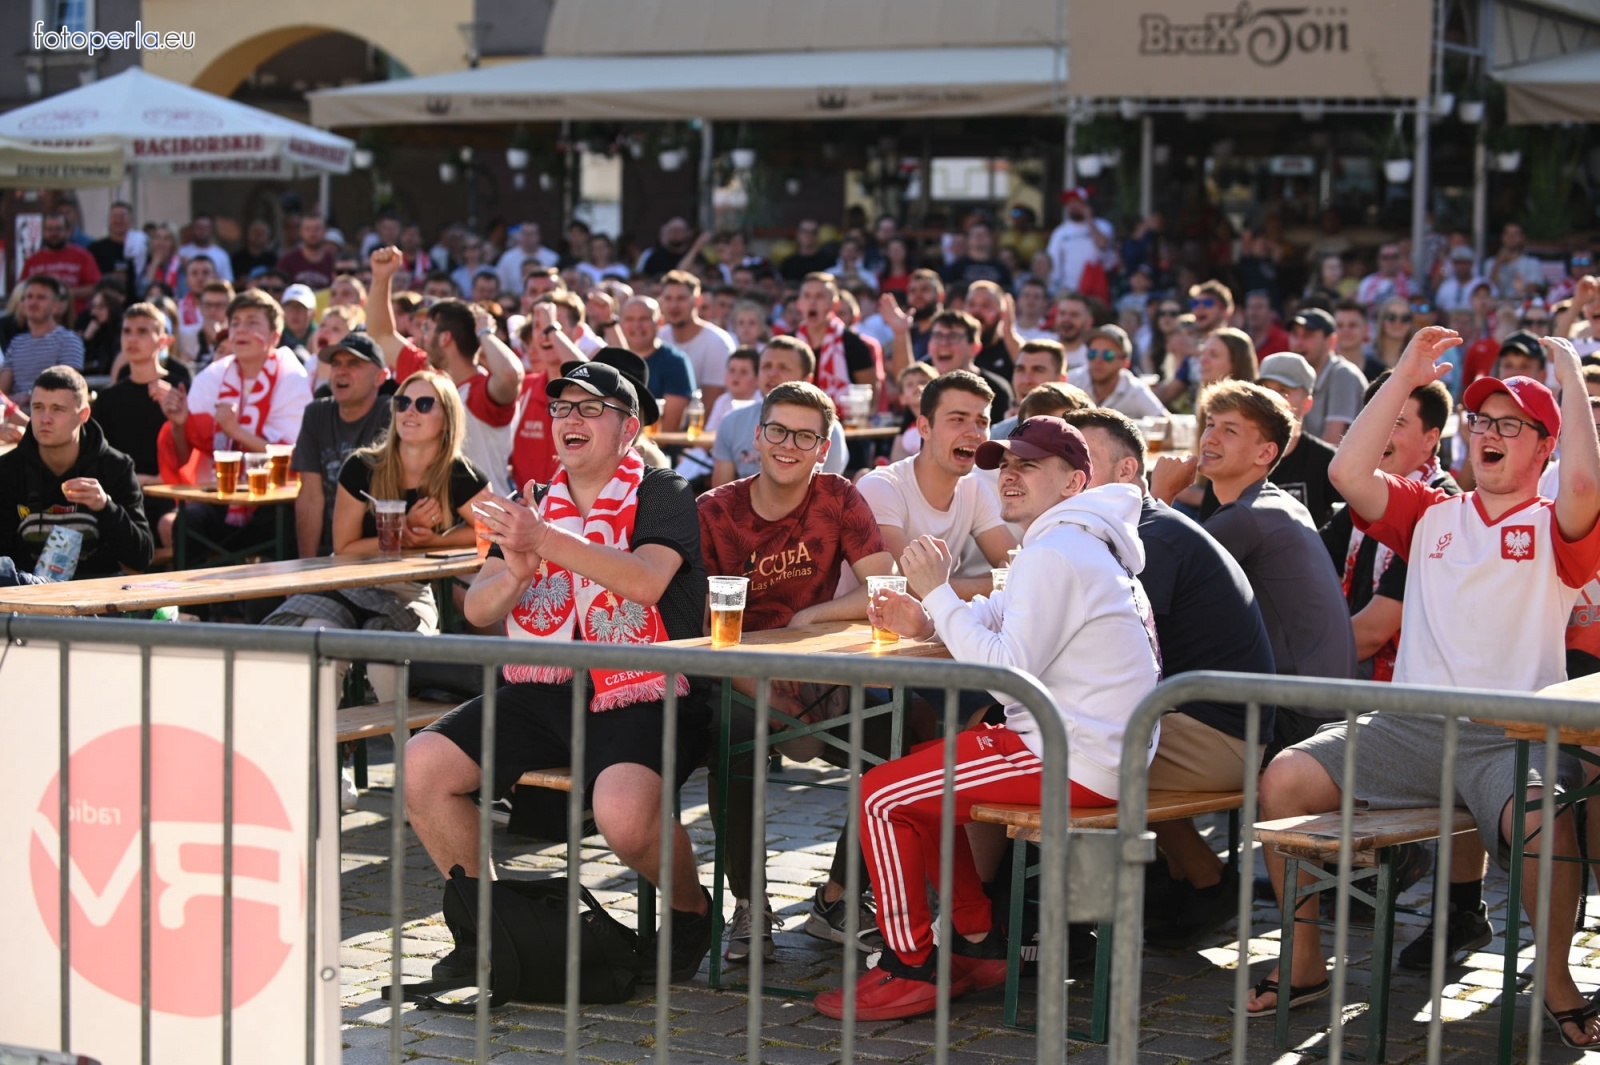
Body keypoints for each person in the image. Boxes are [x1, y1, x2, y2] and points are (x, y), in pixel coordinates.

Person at [1246, 330, 1600, 1049]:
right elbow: (1349, 471)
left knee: (1544, 823)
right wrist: (1404, 377)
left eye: (1510, 424)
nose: (1489, 434)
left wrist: (1571, 384)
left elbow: (1588, 487)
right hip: (1407, 727)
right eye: (1481, 421)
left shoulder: (1553, 522)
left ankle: (1557, 978)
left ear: (1543, 448)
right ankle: (1307, 958)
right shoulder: (1433, 510)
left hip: (1513, 734)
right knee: (1282, 780)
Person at [814, 417, 1161, 1020]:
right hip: (1086, 747)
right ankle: (978, 944)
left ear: (1075, 481)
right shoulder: (1070, 541)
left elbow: (1006, 669)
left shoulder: (1060, 549)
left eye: (1029, 465)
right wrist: (927, 617)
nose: (1010, 474)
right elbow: (996, 618)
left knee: (879, 796)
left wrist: (937, 591)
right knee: (915, 784)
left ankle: (909, 965)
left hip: (1074, 756)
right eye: (1005, 464)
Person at [407, 348, 716, 985]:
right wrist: (518, 569)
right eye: (561, 408)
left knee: (624, 818)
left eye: (591, 409)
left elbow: (646, 583)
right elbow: (479, 606)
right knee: (422, 767)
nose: (570, 418)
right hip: (546, 684)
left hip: (647, 685)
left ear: (628, 429)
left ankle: (691, 913)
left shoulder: (664, 493)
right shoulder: (535, 499)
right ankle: (486, 929)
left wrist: (541, 540)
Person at [696, 380, 901, 962]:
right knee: (731, 742)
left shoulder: (838, 498)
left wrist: (816, 612)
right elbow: (692, 620)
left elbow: (884, 587)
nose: (789, 444)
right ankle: (748, 905)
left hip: (820, 670)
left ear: (825, 445)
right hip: (736, 673)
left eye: (805, 435)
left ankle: (838, 897)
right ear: (756, 439)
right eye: (778, 431)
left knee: (908, 735)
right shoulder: (714, 512)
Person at [1062, 407, 1277, 948]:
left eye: (1082, 460)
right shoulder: (1136, 530)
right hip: (1201, 721)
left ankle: (1078, 928)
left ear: (1127, 471)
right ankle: (1195, 879)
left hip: (1221, 736)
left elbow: (1091, 653)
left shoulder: (1148, 539)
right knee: (1080, 742)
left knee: (1075, 764)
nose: (1069, 474)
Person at [1152, 381, 1356, 753]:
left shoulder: (1247, 517)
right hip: (1316, 707)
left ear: (1266, 452)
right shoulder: (1270, 504)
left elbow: (1152, 577)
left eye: (1230, 430)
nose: (1210, 437)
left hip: (1297, 716)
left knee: (1126, 739)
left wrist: (1160, 496)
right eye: (1210, 424)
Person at [264, 368, 493, 649]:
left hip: (408, 592)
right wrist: (404, 531)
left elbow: (491, 532)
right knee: (316, 640)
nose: (409, 412)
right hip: (350, 582)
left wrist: (436, 541)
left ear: (447, 420)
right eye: (402, 403)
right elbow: (345, 547)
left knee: (388, 657)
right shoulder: (362, 467)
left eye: (423, 405)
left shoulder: (459, 474)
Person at [160, 289, 313, 550]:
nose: (241, 330)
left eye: (252, 322)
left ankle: (271, 592)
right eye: (235, 323)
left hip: (273, 499)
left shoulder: (292, 378)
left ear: (274, 336)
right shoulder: (212, 376)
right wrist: (180, 423)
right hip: (221, 496)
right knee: (189, 520)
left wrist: (236, 431)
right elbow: (186, 457)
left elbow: (295, 458)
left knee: (281, 521)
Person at [367, 246, 522, 494]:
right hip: (438, 520)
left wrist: (485, 332)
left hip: (488, 523)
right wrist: (381, 277)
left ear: (445, 338)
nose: (420, 336)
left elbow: (510, 375)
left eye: (427, 328)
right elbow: (381, 335)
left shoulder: (482, 390)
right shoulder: (425, 376)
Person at [858, 371, 1016, 599]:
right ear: (924, 428)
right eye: (957, 419)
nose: (974, 433)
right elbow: (904, 588)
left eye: (982, 422)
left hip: (921, 627)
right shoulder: (881, 487)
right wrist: (995, 585)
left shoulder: (973, 487)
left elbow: (1016, 568)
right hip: (852, 630)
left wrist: (941, 586)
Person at [0, 365, 152, 580]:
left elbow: (141, 557)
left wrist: (105, 506)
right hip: (29, 601)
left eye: (57, 409)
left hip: (98, 597)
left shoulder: (115, 467)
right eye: (37, 407)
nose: (45, 418)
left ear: (83, 415)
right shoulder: (8, 470)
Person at [91, 302, 191, 547]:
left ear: (163, 340)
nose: (132, 339)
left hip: (170, 493)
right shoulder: (109, 397)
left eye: (143, 331)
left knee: (176, 527)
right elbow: (98, 457)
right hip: (122, 494)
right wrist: (131, 480)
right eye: (127, 331)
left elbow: (191, 456)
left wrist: (177, 420)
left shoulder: (179, 387)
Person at [1204, 352, 1343, 528]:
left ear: (1307, 404)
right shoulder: (1229, 455)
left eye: (1283, 391)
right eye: (1265, 389)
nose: (1272, 397)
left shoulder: (1326, 461)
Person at [286, 332, 393, 559]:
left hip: (383, 553)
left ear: (380, 377)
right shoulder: (316, 413)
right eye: (336, 363)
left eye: (354, 363)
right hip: (331, 554)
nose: (341, 371)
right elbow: (310, 497)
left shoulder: (395, 413)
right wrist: (307, 568)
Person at [711, 337, 848, 485]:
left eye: (783, 368)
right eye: (766, 366)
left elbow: (825, 495)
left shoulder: (829, 430)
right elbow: (721, 494)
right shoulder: (731, 422)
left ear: (807, 379)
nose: (772, 374)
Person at [1291, 308, 1368, 444]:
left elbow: (1331, 446)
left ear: (1331, 341)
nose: (1298, 342)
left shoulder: (1343, 375)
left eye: (1308, 335)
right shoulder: (1297, 376)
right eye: (1295, 334)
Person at [0, 276, 84, 401]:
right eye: (29, 297)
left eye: (41, 297)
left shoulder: (68, 340)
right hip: (16, 413)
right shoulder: (16, 343)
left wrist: (28, 396)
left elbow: (68, 388)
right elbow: (3, 391)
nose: (33, 302)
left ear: (56, 306)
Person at [1066, 325, 1166, 420]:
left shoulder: (1134, 389)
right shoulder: (1072, 382)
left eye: (1108, 355)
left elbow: (1165, 422)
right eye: (1092, 354)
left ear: (1125, 362)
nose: (1098, 360)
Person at [24, 213, 102, 318]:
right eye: (49, 229)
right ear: (43, 232)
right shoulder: (32, 261)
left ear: (67, 231)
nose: (54, 233)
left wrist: (67, 292)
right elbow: (22, 290)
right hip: (40, 319)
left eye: (58, 229)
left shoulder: (83, 256)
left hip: (75, 318)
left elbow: (97, 287)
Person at [1046, 188, 1114, 297]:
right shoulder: (1060, 232)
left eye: (1076, 202)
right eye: (1069, 203)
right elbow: (1053, 261)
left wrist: (1089, 219)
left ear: (1085, 203)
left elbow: (1102, 244)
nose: (1072, 206)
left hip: (1097, 289)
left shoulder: (1103, 225)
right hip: (1069, 289)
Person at [275, 213, 338, 291]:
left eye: (317, 229)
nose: (312, 233)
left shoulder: (334, 262)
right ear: (301, 231)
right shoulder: (287, 261)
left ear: (325, 231)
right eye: (308, 229)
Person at [179, 214, 234, 283]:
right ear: (193, 229)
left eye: (206, 228)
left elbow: (228, 282)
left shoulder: (221, 255)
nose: (202, 231)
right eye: (199, 227)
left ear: (212, 230)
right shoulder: (182, 252)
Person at [1356, 244, 1412, 310]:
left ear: (1400, 259)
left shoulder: (1410, 285)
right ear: (1378, 260)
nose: (1390, 261)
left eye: (1394, 257)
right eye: (1385, 257)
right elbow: (1360, 308)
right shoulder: (1366, 283)